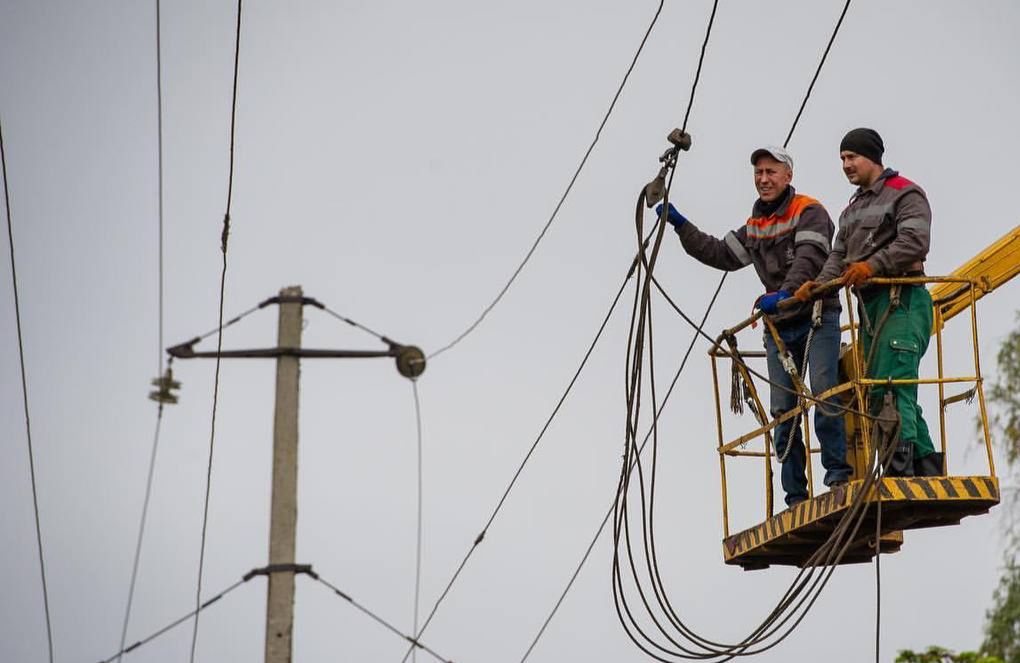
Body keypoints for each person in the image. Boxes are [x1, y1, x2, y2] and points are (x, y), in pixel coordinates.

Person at [658, 145, 851, 506]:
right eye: (759, 173)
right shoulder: (755, 226)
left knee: (824, 392)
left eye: (771, 172)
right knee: (783, 411)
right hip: (779, 328)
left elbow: (810, 259)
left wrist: (785, 293)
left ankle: (838, 477)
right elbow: (720, 253)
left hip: (816, 317)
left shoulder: (808, 211)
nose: (764, 179)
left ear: (788, 176)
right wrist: (681, 225)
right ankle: (796, 496)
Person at [795, 127, 941, 477]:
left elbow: (915, 241)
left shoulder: (905, 193)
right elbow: (839, 256)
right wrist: (818, 286)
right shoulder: (852, 210)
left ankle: (897, 471)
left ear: (872, 156)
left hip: (902, 300)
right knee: (881, 387)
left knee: (892, 386)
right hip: (871, 307)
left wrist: (872, 265)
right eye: (842, 158)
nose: (846, 164)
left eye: (852, 157)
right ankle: (927, 469)